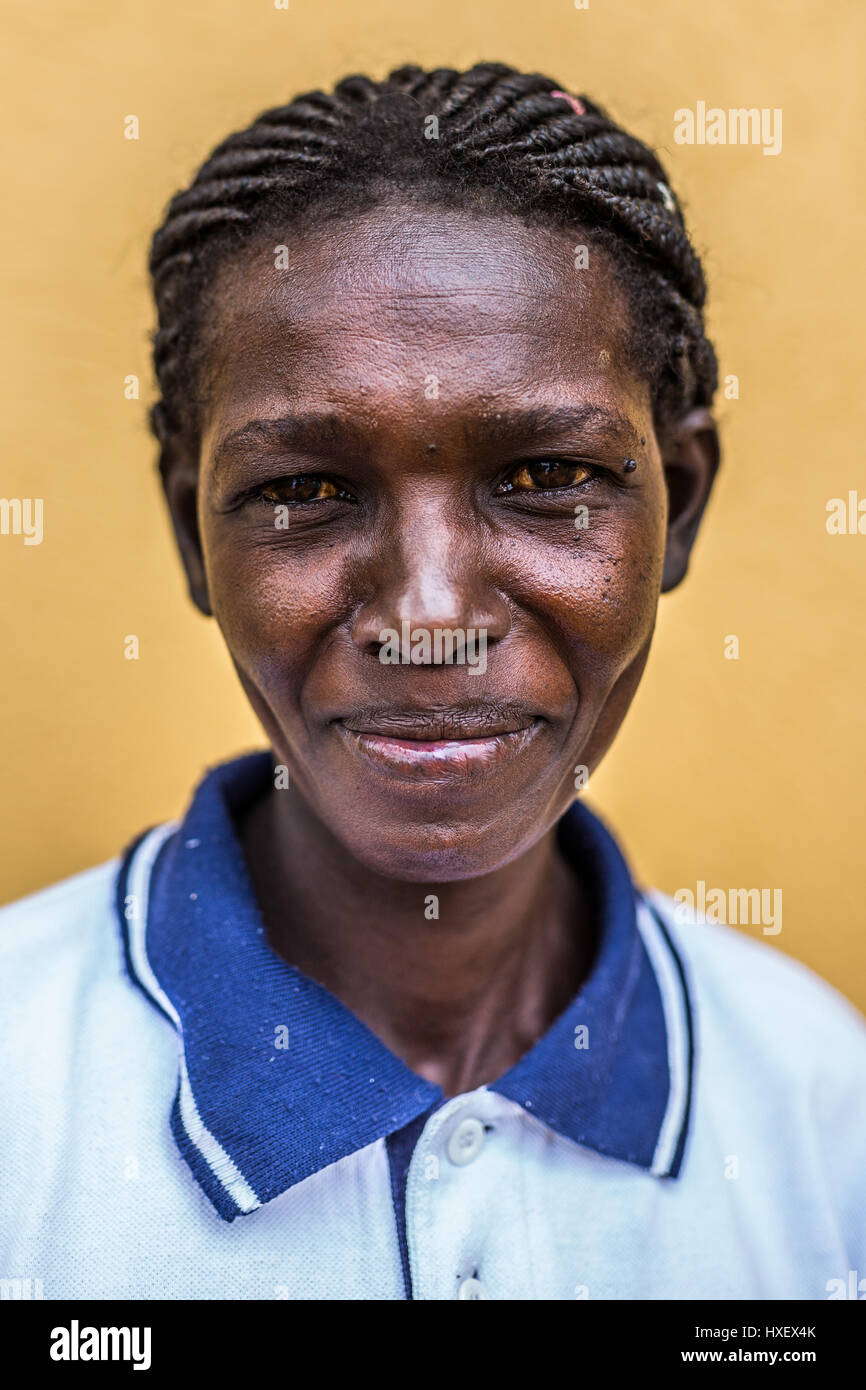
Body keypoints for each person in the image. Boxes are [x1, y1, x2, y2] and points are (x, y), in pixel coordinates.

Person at [1, 62, 864, 1302]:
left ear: (679, 505)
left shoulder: (810, 1106)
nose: (427, 616)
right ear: (194, 536)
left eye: (542, 477)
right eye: (302, 490)